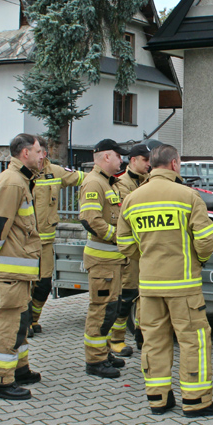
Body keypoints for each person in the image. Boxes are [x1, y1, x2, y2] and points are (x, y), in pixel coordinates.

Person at [117, 144, 213, 417]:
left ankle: (158, 399)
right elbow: (205, 240)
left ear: (152, 165)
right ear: (175, 164)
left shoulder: (133, 198)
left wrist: (147, 258)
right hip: (183, 285)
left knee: (153, 342)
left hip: (150, 286)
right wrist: (198, 261)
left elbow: (124, 244)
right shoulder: (188, 196)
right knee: (193, 341)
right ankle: (196, 401)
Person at [0, 133, 45, 400]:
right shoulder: (13, 183)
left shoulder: (22, 180)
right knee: (8, 322)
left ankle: (19, 369)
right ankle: (0, 381)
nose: (42, 156)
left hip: (21, 270)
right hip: (11, 270)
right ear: (25, 153)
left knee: (20, 320)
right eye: (39, 151)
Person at [79, 139, 129, 379]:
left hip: (113, 261)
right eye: (119, 156)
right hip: (102, 261)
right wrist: (118, 238)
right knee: (101, 310)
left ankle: (104, 351)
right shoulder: (94, 183)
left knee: (112, 309)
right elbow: (91, 220)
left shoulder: (110, 183)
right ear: (107, 157)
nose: (122, 160)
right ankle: (95, 360)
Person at [30, 136, 86, 336]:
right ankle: (23, 322)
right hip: (22, 243)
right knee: (23, 286)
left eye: (41, 152)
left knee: (43, 285)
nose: (40, 156)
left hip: (45, 243)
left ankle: (33, 318)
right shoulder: (19, 176)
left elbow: (82, 178)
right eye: (36, 152)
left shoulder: (53, 172)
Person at [111, 141, 160, 357]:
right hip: (131, 252)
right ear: (133, 160)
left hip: (147, 249)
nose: (149, 164)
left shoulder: (150, 182)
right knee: (128, 295)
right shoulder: (121, 184)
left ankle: (143, 335)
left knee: (145, 297)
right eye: (145, 160)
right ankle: (116, 339)